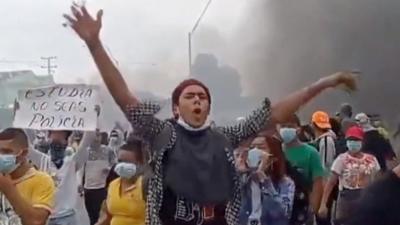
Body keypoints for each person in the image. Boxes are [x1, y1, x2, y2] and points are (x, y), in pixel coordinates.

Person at [63, 5, 357, 225]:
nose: (197, 101)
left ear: (208, 108)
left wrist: (322, 84)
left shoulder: (223, 137)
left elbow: (274, 113)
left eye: (202, 97)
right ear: (177, 107)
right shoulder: (161, 133)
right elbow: (123, 97)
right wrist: (94, 44)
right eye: (190, 96)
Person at [27, 130, 95, 225]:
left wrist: (91, 120)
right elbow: (26, 146)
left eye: (60, 141)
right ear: (48, 139)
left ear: (66, 142)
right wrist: (18, 118)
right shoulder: (42, 160)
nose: (57, 145)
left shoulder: (72, 162)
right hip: (47, 217)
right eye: (54, 141)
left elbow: (85, 144)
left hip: (68, 217)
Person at [318, 126, 380, 225]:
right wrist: (323, 204)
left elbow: (378, 181)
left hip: (366, 198)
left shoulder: (372, 160)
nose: (353, 143)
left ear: (362, 141)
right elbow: (331, 183)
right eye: (350, 140)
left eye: (356, 140)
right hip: (347, 199)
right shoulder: (341, 159)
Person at [0, 128, 55, 225]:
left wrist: (8, 189)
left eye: (6, 152)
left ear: (24, 153)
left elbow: (36, 221)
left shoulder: (42, 181)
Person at [238, 135, 295, 225]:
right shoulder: (245, 180)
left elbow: (283, 213)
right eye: (252, 147)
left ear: (273, 155)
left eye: (261, 147)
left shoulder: (285, 183)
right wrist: (239, 173)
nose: (255, 151)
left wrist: (265, 182)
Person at [278, 115, 325, 224]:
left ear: (298, 129)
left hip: (301, 205)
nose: (285, 129)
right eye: (283, 126)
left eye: (290, 126)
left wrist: (313, 208)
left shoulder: (311, 153)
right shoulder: (276, 151)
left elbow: (317, 182)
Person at [95, 138, 147, 225]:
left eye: (127, 162)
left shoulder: (146, 185)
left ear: (139, 163)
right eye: (120, 161)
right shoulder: (113, 185)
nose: (122, 165)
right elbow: (106, 216)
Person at [83, 131, 116, 225]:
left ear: (101, 137)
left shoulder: (108, 151)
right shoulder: (85, 152)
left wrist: (108, 169)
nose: (96, 138)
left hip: (101, 188)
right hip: (88, 189)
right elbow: (81, 169)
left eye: (98, 135)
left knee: (102, 217)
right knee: (92, 216)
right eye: (93, 136)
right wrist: (79, 184)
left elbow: (114, 164)